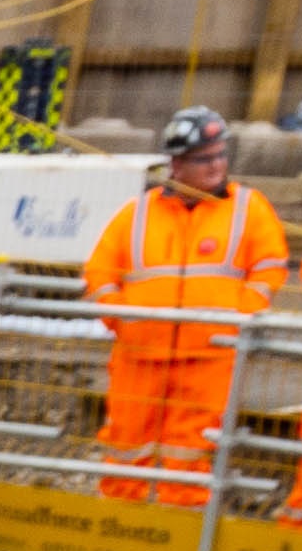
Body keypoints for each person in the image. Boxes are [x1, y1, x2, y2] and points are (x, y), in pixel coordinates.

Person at [82, 103, 290, 509]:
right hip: (138, 356)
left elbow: (269, 268)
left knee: (191, 452)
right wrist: (122, 320)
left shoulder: (249, 208)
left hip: (208, 358)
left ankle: (179, 534)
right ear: (176, 165)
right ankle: (117, 526)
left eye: (220, 155)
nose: (216, 166)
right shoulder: (137, 213)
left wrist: (236, 317)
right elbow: (98, 273)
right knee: (126, 447)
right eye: (203, 159)